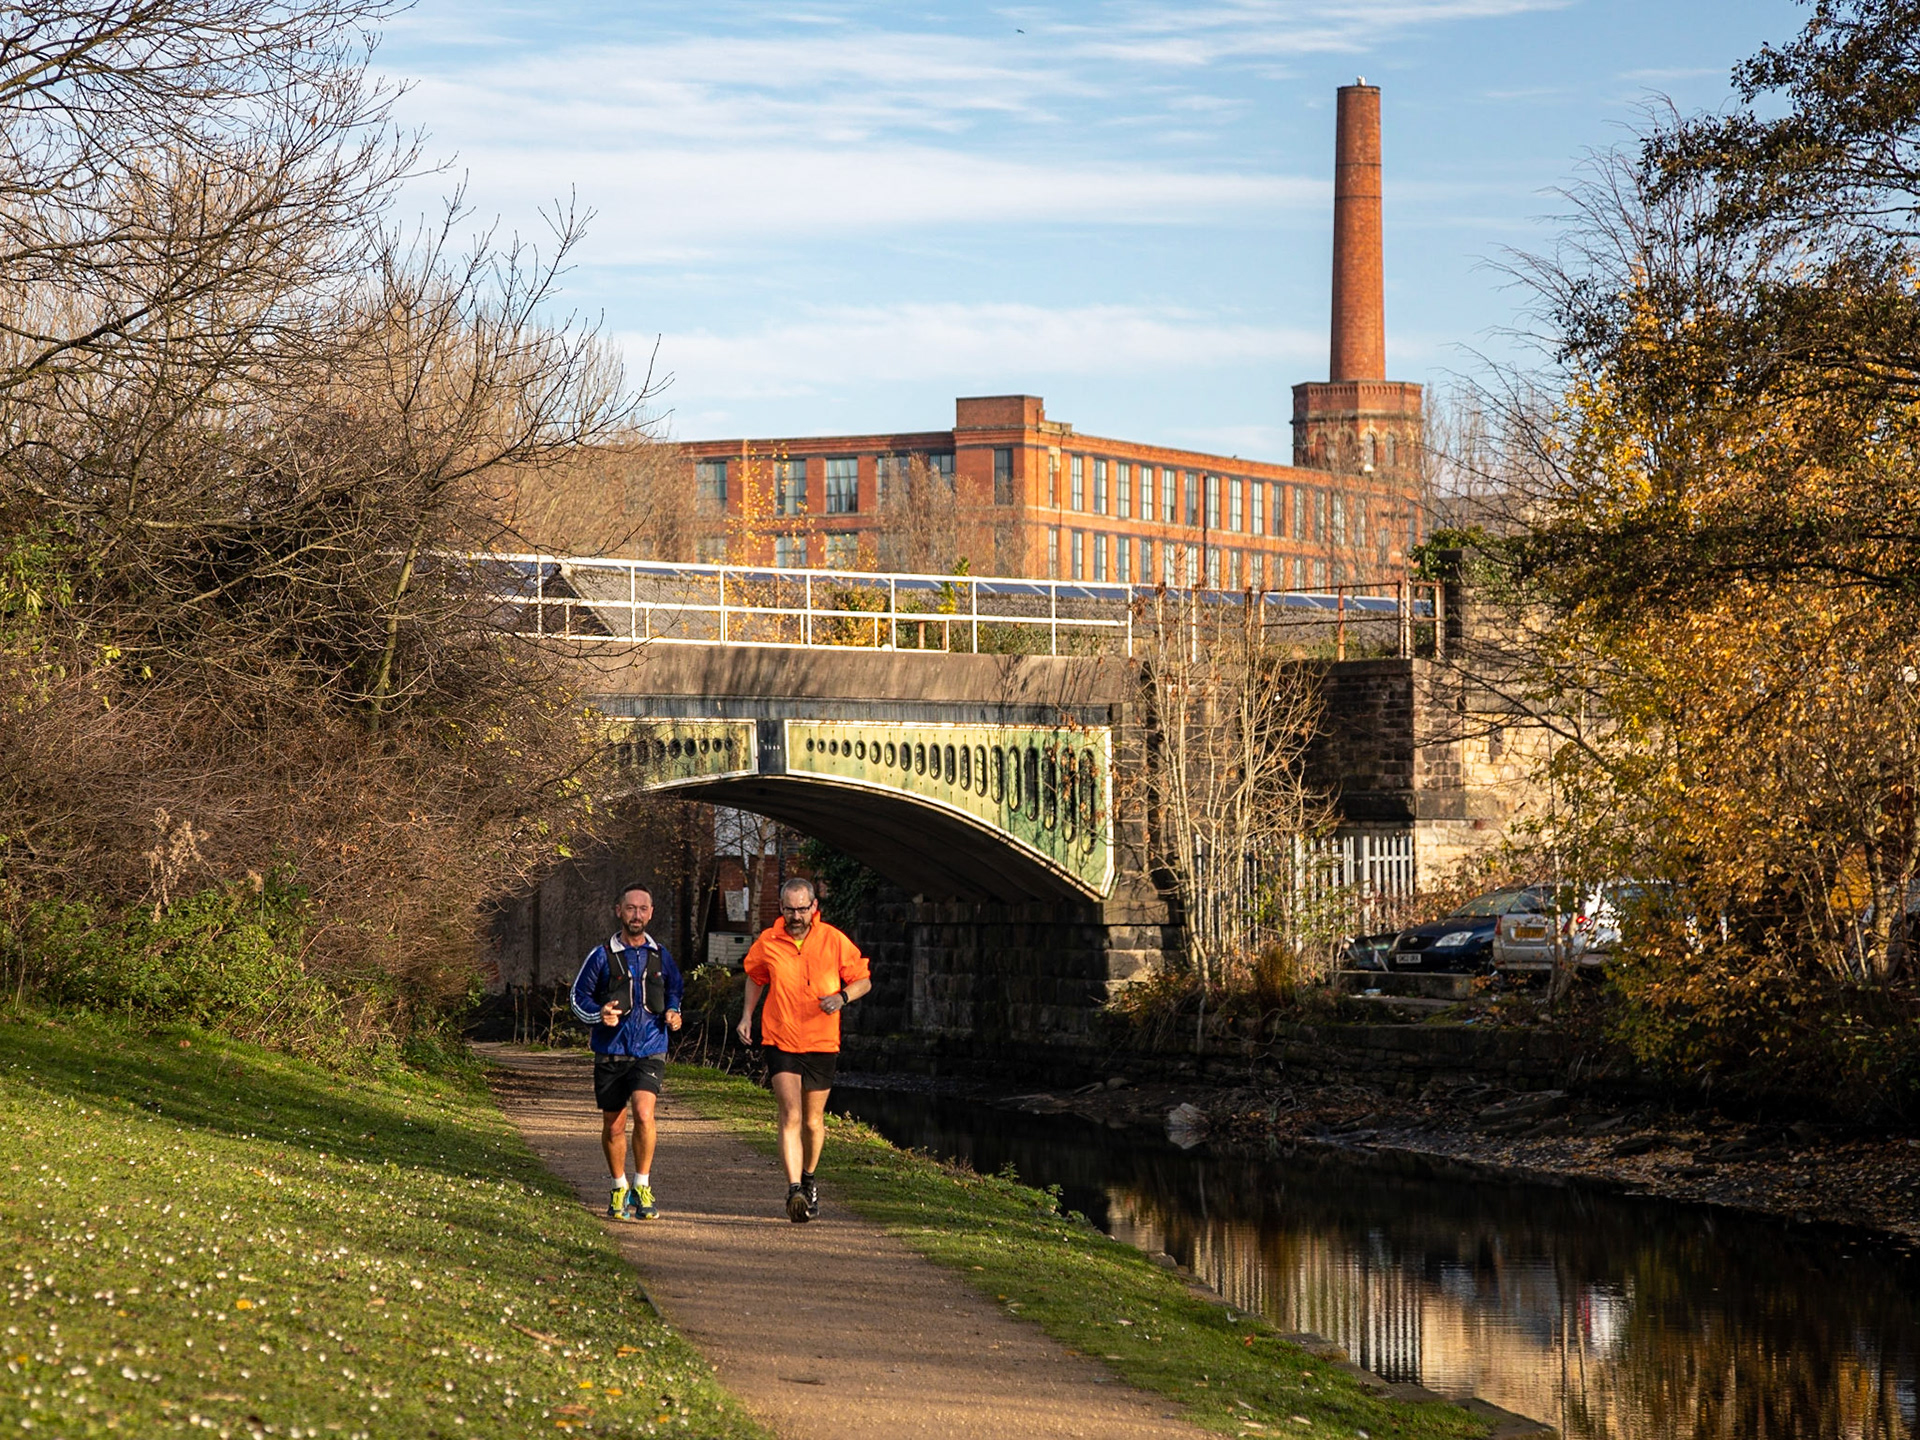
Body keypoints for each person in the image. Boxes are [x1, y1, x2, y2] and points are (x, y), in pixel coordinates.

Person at [736, 875, 872, 1222]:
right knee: (790, 1114)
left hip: (822, 1041)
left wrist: (841, 997)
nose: (795, 916)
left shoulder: (833, 940)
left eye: (801, 909)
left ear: (814, 908)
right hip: (780, 1038)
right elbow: (755, 976)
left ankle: (809, 1178)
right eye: (789, 909)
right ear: (780, 908)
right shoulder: (769, 941)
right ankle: (794, 1188)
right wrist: (747, 1016)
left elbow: (863, 980)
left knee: (813, 1121)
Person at [570, 883, 683, 1221]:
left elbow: (675, 988)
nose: (637, 915)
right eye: (630, 908)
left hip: (651, 1047)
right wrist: (598, 1015)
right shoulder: (601, 955)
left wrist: (674, 1012)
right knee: (614, 1125)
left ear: (651, 913)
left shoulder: (661, 955)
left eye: (643, 908)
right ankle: (619, 1186)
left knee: (645, 1113)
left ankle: (642, 1184)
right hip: (610, 1051)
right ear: (618, 911)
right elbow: (578, 998)